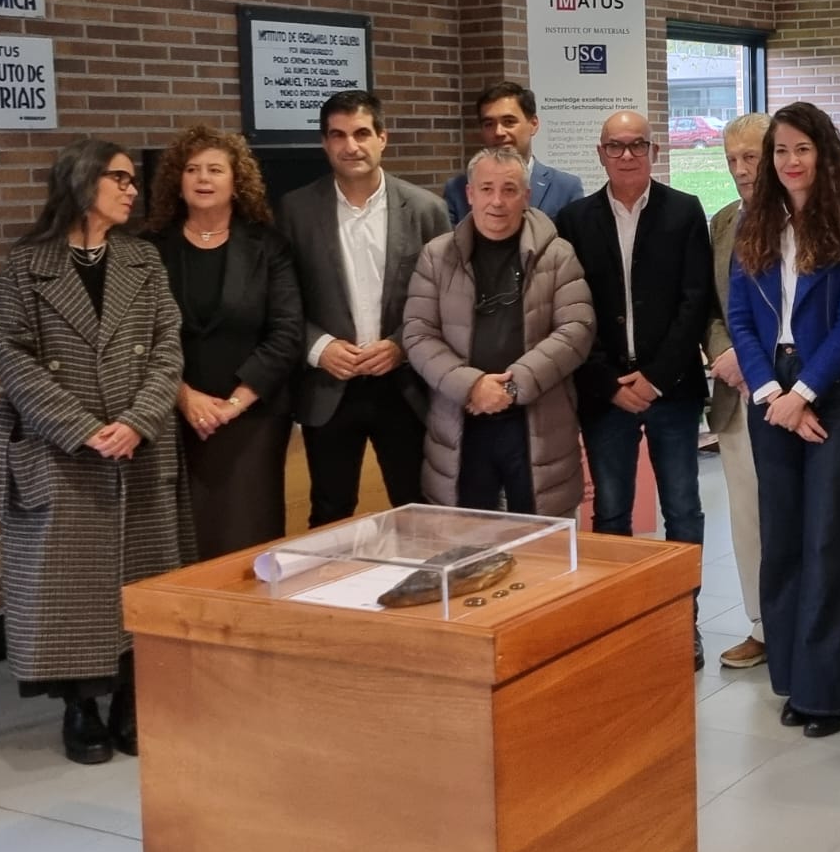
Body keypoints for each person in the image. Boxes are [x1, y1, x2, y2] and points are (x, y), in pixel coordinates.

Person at [0, 140, 191, 765]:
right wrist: (82, 428)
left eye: (132, 180)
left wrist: (136, 421)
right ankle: (80, 708)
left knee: (142, 577)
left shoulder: (143, 260)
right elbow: (12, 356)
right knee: (67, 591)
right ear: (82, 182)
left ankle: (132, 699)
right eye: (120, 179)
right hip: (62, 453)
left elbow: (168, 345)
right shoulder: (28, 266)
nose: (133, 190)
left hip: (140, 449)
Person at [729, 101, 840, 739]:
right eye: (781, 151)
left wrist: (807, 392)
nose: (790, 162)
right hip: (771, 392)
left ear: (824, 154)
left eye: (802, 149)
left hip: (835, 392)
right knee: (783, 537)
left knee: (831, 539)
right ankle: (793, 678)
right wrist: (772, 394)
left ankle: (831, 692)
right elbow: (739, 316)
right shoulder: (753, 223)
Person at [554, 110, 713, 668]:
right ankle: (619, 623)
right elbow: (571, 311)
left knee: (684, 510)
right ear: (600, 154)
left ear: (654, 151)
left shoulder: (684, 211)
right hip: (605, 393)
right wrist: (607, 381)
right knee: (612, 512)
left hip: (673, 388)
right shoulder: (574, 219)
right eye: (616, 146)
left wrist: (657, 376)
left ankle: (682, 621)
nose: (627, 155)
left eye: (637, 145)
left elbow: (696, 302)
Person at [279, 89, 451, 525]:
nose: (350, 146)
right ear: (324, 143)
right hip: (329, 384)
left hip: (404, 385)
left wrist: (401, 346)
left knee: (418, 506)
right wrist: (319, 348)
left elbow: (444, 300)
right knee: (330, 510)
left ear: (382, 138)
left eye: (360, 133)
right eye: (337, 135)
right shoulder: (295, 210)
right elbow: (282, 300)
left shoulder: (427, 210)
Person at [404, 147, 595, 516]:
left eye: (509, 190)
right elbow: (418, 334)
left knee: (543, 537)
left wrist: (512, 387)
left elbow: (576, 329)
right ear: (469, 194)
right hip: (462, 421)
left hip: (538, 423)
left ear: (526, 196)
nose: (497, 201)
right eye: (486, 189)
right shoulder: (436, 256)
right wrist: (473, 386)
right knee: (468, 537)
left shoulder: (557, 255)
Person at [146, 126, 304, 559]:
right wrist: (184, 397)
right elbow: (141, 337)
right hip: (175, 417)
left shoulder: (268, 246)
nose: (203, 178)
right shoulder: (149, 249)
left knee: (249, 540)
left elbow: (287, 333)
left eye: (215, 169)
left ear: (237, 182)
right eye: (192, 169)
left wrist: (234, 403)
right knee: (182, 543)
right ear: (177, 180)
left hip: (253, 419)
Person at [705, 112, 772, 669]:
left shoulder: (803, 218)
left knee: (788, 516)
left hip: (788, 394)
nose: (741, 169)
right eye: (731, 159)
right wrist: (723, 352)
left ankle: (795, 624)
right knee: (746, 517)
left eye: (751, 157)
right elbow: (711, 305)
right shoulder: (723, 221)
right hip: (734, 394)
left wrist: (755, 363)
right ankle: (760, 625)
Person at [443, 82, 584, 224]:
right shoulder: (457, 189)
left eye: (509, 122)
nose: (498, 132)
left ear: (533, 124)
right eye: (489, 124)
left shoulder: (565, 188)